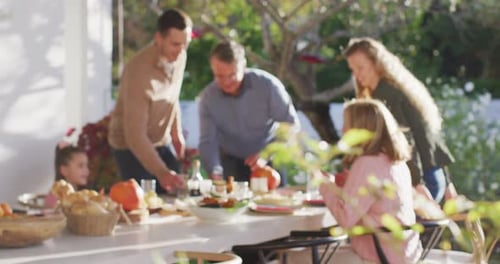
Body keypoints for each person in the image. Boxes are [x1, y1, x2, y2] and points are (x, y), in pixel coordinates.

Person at [343, 37, 457, 203]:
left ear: (377, 63)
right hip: (433, 174)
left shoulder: (386, 94)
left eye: (360, 67)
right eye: (352, 69)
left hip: (421, 180)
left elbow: (406, 139)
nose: (356, 75)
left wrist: (417, 184)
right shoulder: (397, 87)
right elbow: (427, 134)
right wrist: (448, 182)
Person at [319, 98, 422, 263]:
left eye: (347, 124)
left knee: (291, 256)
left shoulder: (367, 163)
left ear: (360, 129)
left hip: (378, 256)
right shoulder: (396, 162)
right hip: (403, 254)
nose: (342, 129)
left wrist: (324, 185)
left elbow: (346, 218)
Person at [108, 9, 191, 193]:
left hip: (160, 140)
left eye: (185, 45)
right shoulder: (138, 72)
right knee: (144, 205)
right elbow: (135, 136)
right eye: (175, 44)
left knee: (179, 194)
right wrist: (162, 172)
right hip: (129, 146)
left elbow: (172, 96)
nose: (180, 52)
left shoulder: (179, 57)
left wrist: (176, 134)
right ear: (159, 38)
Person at [198, 41, 300, 183]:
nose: (227, 82)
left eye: (232, 75)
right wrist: (214, 170)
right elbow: (208, 141)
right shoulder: (208, 98)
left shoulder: (268, 86)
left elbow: (290, 125)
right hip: (230, 163)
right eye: (220, 76)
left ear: (243, 66)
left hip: (268, 161)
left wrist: (266, 155)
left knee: (272, 204)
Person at [45, 143, 90, 208]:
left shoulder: (83, 195)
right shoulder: (53, 195)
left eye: (87, 166)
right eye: (81, 166)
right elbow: (46, 213)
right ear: (64, 170)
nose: (87, 171)